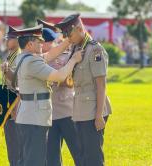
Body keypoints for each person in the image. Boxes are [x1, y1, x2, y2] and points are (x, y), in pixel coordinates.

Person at [13, 24, 82, 166]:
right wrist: (74, 60)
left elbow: (50, 55)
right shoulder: (32, 61)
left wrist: (68, 40)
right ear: (30, 44)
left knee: (30, 158)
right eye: (39, 41)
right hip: (35, 118)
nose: (42, 43)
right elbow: (59, 76)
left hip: (29, 115)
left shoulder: (23, 57)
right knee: (35, 161)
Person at [55, 13, 112, 166]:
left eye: (69, 34)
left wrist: (99, 115)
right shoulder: (76, 49)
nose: (68, 38)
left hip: (93, 110)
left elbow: (101, 85)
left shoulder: (94, 50)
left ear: (79, 29)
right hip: (79, 109)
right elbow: (72, 81)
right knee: (83, 156)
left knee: (93, 157)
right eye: (65, 34)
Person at [37, 19, 82, 166]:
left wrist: (57, 79)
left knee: (78, 153)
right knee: (51, 158)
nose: (40, 45)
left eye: (42, 41)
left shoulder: (67, 55)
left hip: (67, 112)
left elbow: (72, 80)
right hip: (49, 114)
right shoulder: (38, 60)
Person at [2, 25, 21, 166]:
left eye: (10, 39)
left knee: (17, 148)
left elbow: (18, 84)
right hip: (8, 105)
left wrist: (15, 107)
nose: (7, 41)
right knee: (12, 146)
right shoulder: (10, 56)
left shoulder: (19, 57)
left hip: (16, 107)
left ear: (17, 40)